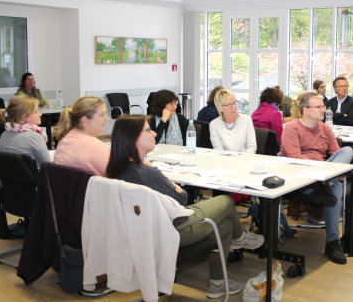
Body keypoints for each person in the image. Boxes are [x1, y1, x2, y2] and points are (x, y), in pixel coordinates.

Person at [105, 115, 264, 298]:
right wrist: (175, 187)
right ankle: (240, 237)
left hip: (142, 235)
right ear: (133, 138)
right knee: (226, 202)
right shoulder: (148, 173)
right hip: (177, 228)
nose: (154, 133)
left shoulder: (116, 170)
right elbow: (182, 199)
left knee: (224, 226)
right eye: (148, 130)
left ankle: (219, 282)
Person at [281, 92, 353, 264]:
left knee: (348, 151)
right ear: (306, 110)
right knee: (336, 186)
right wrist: (327, 171)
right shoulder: (291, 128)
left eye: (323, 106)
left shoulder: (325, 128)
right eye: (319, 107)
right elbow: (294, 157)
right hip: (299, 177)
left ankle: (326, 182)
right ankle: (332, 241)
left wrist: (331, 172)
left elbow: (337, 153)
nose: (324, 110)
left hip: (322, 176)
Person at [53, 96, 110, 176]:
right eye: (102, 114)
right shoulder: (93, 146)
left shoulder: (64, 141)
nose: (107, 118)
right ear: (85, 119)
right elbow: (120, 177)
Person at [0, 95, 51, 169]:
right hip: (38, 178)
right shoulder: (34, 137)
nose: (40, 114)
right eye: (36, 111)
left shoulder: (4, 134)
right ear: (24, 116)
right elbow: (48, 165)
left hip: (11, 179)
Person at [210, 89, 256, 154]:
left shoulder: (246, 120)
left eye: (234, 102)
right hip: (224, 161)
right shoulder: (214, 124)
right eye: (229, 105)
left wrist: (244, 160)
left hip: (244, 160)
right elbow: (218, 150)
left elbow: (252, 147)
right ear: (220, 108)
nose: (234, 107)